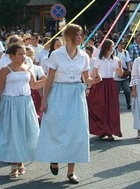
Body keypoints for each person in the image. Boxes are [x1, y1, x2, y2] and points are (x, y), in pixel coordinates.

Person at [36, 24, 95, 185]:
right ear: (68, 36)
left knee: (76, 132)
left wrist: (93, 81)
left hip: (76, 94)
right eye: (77, 34)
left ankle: (71, 172)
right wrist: (44, 100)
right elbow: (49, 78)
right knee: (58, 127)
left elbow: (86, 78)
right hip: (59, 93)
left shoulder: (83, 56)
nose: (80, 37)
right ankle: (54, 159)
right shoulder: (56, 54)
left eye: (81, 35)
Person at [0, 44, 46, 178]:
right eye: (20, 54)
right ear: (12, 55)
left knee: (25, 132)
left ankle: (20, 160)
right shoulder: (5, 70)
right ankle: (14, 165)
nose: (23, 57)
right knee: (13, 134)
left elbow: (34, 85)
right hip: (10, 104)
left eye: (24, 54)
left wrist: (50, 79)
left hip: (26, 103)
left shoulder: (28, 67)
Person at [88, 39, 124, 141]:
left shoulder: (116, 59)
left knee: (111, 108)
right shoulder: (98, 60)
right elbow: (93, 74)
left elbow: (120, 74)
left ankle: (109, 131)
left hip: (111, 84)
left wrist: (120, 67)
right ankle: (102, 130)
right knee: (100, 107)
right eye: (112, 46)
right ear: (107, 47)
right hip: (100, 84)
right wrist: (89, 86)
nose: (113, 48)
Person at [115, 41, 132, 110]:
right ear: (117, 44)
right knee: (116, 91)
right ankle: (115, 104)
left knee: (127, 90)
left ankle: (129, 103)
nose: (122, 45)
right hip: (116, 75)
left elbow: (128, 61)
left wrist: (129, 69)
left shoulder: (125, 52)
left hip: (125, 74)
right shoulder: (114, 52)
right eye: (121, 44)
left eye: (123, 44)